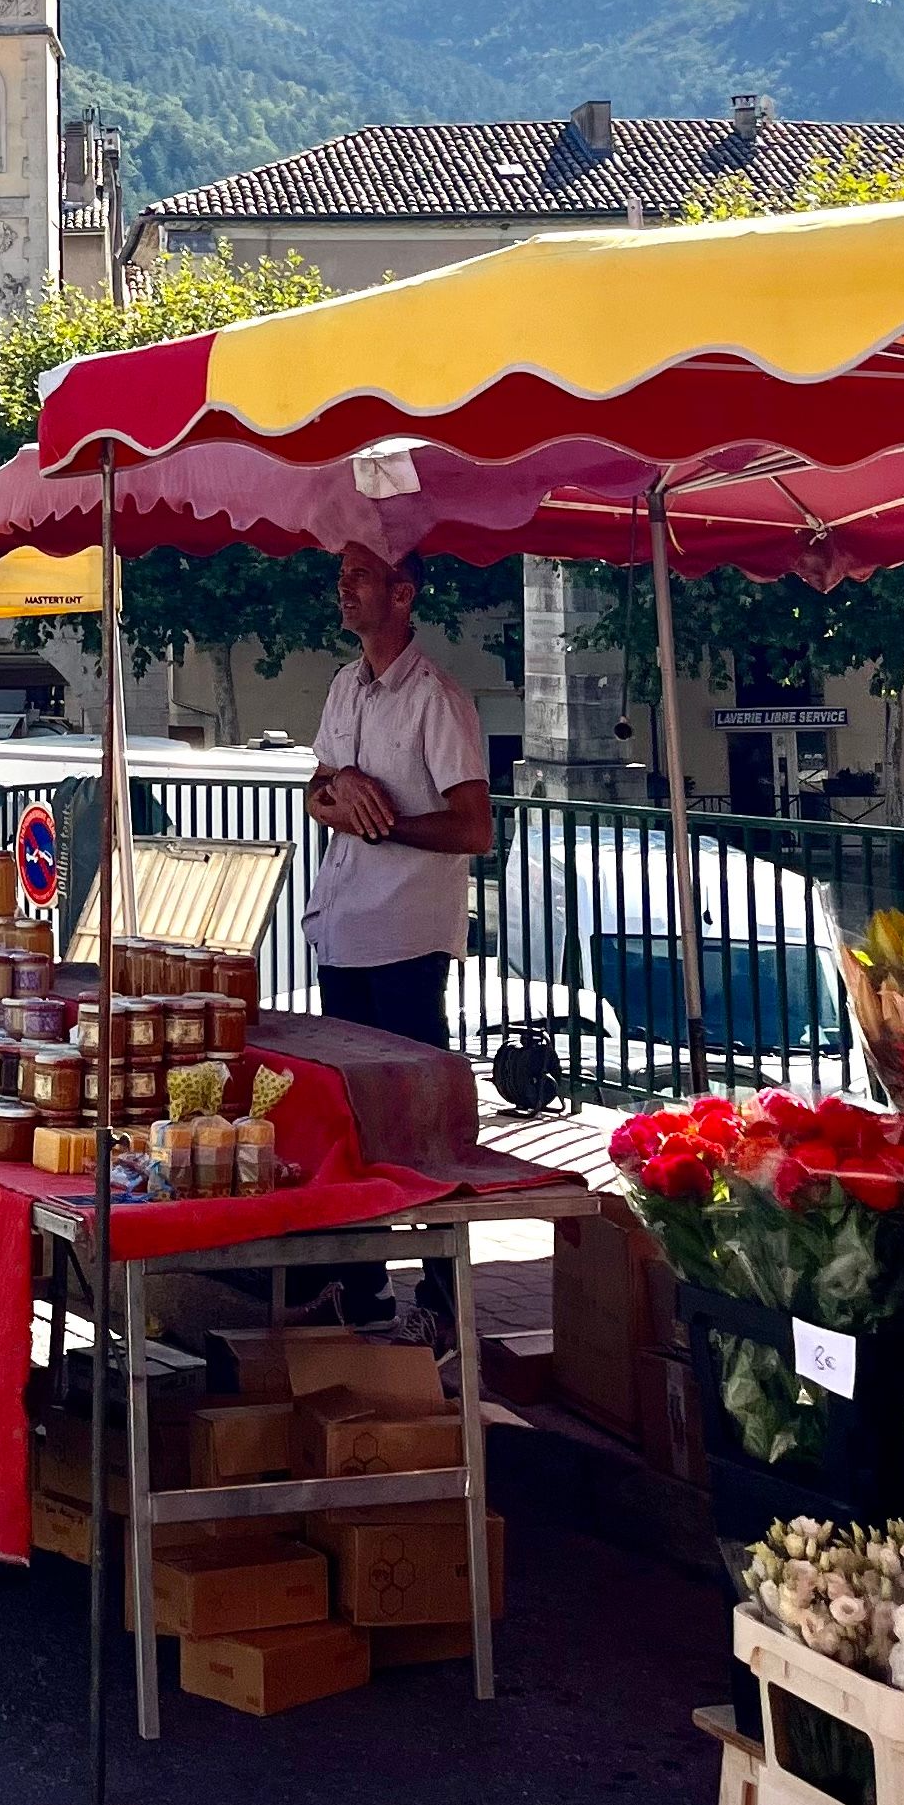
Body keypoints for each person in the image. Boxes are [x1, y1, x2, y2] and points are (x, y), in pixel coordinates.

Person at [303, 543, 495, 1336]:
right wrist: (339, 791)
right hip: (342, 928)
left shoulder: (436, 699)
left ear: (403, 593)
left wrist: (386, 827)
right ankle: (361, 1278)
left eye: (359, 577)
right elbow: (316, 791)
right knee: (351, 1113)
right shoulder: (345, 686)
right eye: (341, 577)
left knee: (416, 1118)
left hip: (407, 936)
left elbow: (476, 826)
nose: (343, 589)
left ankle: (446, 1289)